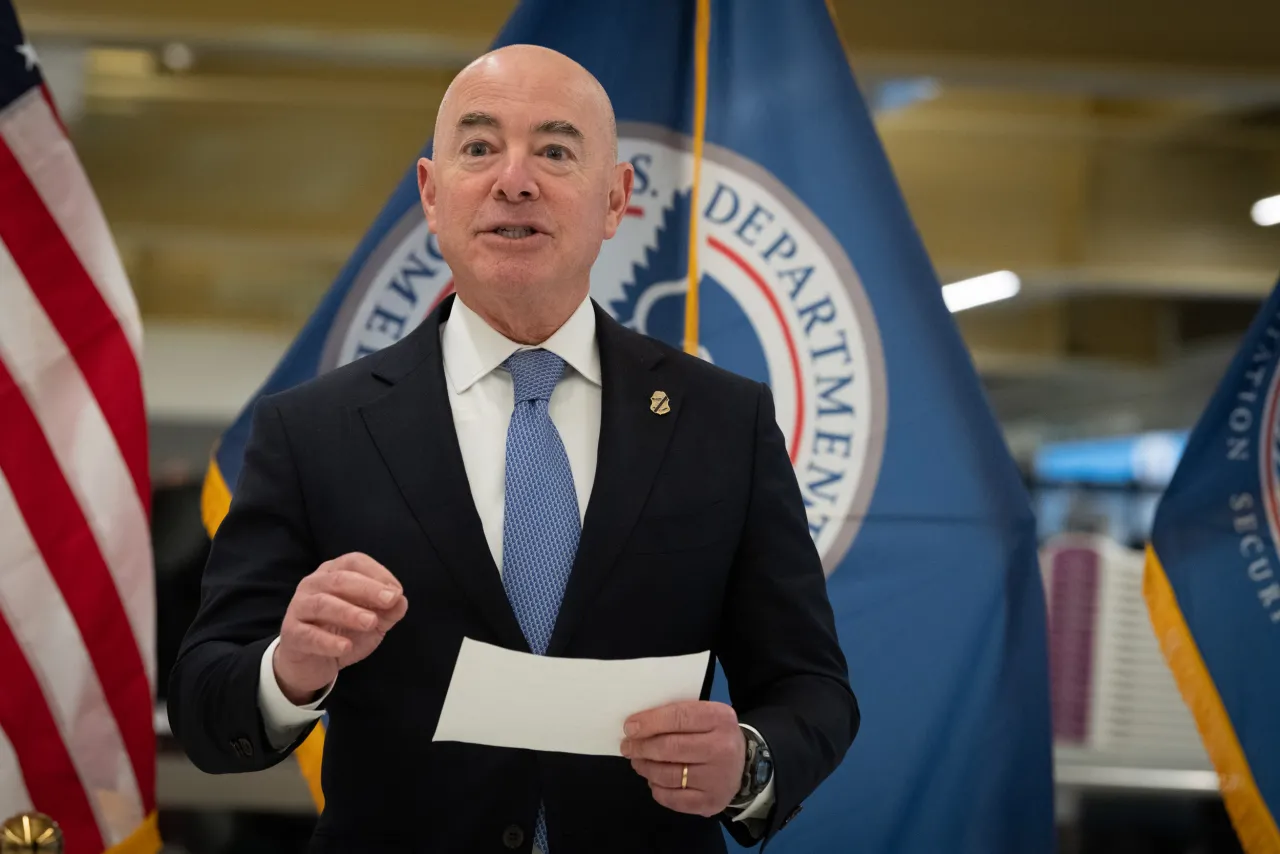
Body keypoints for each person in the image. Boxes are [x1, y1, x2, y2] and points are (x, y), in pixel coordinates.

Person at [168, 44, 858, 854]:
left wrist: (747, 764)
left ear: (615, 200)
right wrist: (291, 667)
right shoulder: (311, 431)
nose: (514, 180)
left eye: (556, 151)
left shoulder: (724, 423)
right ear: (431, 194)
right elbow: (206, 706)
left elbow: (811, 687)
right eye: (480, 147)